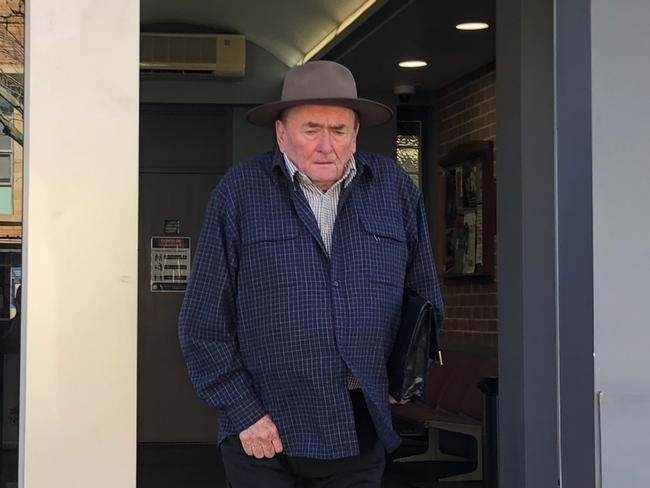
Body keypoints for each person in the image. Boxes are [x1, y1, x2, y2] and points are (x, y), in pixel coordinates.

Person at [178, 60, 444, 487]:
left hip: (361, 420)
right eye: (311, 130)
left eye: (339, 131)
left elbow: (424, 297)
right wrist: (243, 412)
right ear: (282, 134)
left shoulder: (394, 190)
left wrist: (406, 376)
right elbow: (202, 322)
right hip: (264, 426)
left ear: (355, 134)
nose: (327, 145)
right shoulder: (239, 192)